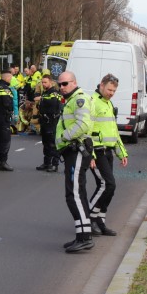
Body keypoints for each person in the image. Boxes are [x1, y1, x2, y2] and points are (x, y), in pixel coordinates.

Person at [56, 71, 95, 253]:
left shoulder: (79, 99)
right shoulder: (72, 100)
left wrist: (64, 137)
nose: (62, 87)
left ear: (74, 82)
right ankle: (82, 235)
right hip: (73, 151)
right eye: (60, 85)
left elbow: (84, 125)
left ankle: (85, 237)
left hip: (76, 149)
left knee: (74, 194)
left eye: (65, 84)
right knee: (77, 193)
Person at [88, 74, 128, 237]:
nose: (112, 93)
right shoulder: (92, 102)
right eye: (110, 89)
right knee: (108, 185)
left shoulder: (108, 103)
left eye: (114, 91)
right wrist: (89, 154)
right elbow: (87, 131)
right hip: (97, 152)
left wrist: (121, 153)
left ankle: (100, 222)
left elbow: (113, 131)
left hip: (108, 151)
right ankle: (89, 217)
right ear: (101, 85)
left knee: (106, 187)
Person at [35, 74, 62, 172]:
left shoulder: (54, 92)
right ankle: (47, 163)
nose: (43, 84)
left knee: (52, 144)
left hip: (52, 121)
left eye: (45, 82)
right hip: (44, 121)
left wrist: (41, 98)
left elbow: (53, 102)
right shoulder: (46, 93)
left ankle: (55, 164)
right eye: (42, 82)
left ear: (51, 82)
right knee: (45, 143)